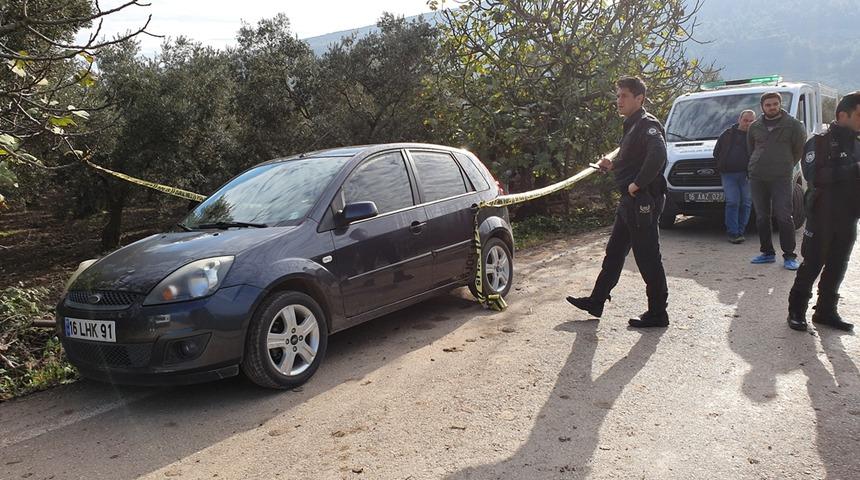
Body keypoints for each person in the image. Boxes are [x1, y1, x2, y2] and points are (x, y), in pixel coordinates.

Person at [566, 76, 669, 328]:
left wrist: (637, 184)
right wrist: (614, 165)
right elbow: (635, 158)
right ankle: (597, 300)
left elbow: (658, 155)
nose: (618, 100)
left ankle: (658, 313)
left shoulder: (647, 124)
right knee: (614, 253)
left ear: (639, 98)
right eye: (618, 95)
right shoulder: (632, 125)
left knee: (647, 258)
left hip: (641, 201)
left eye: (624, 95)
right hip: (629, 202)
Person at [786, 91, 860, 332]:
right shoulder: (819, 141)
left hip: (849, 215)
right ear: (842, 115)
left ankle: (826, 311)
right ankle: (796, 310)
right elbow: (814, 175)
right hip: (823, 215)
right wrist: (853, 168)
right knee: (813, 263)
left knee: (839, 264)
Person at [746, 91, 807, 270]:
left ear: (779, 105)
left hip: (781, 176)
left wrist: (786, 164)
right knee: (762, 216)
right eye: (767, 105)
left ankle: (789, 256)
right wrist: (755, 165)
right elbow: (751, 149)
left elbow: (799, 150)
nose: (771, 107)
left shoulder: (793, 125)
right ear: (762, 107)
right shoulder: (755, 126)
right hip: (757, 176)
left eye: (774, 104)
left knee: (784, 216)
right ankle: (767, 253)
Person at [713, 110, 755, 243]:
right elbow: (716, 152)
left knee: (746, 203)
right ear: (739, 119)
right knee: (732, 202)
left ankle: (740, 231)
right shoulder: (727, 134)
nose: (747, 123)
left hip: (747, 175)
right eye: (745, 120)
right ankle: (733, 232)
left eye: (751, 121)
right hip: (728, 174)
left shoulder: (755, 136)